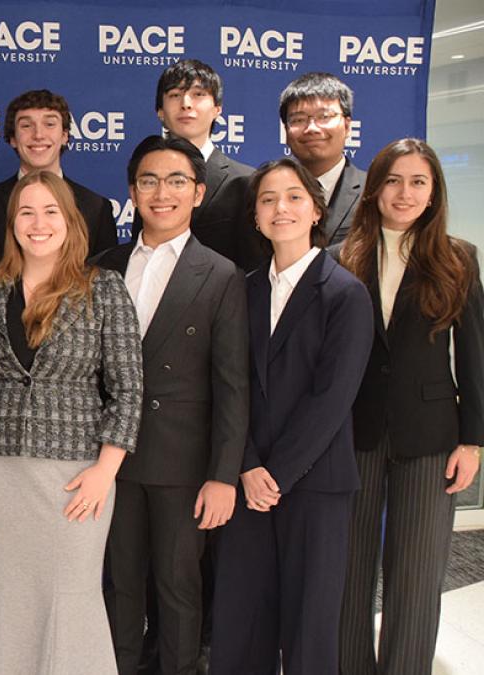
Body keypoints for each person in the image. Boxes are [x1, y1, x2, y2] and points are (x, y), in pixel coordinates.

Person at [0, 170, 142, 674]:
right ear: (12, 224)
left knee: (71, 594)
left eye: (51, 211)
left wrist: (105, 471)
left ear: (71, 221)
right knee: (3, 592)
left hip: (76, 477)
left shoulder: (105, 291)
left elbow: (128, 389)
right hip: (0, 472)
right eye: (26, 212)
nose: (38, 223)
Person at [209, 157, 373, 675]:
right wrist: (248, 465)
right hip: (246, 478)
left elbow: (332, 399)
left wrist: (275, 474)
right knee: (241, 620)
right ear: (254, 216)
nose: (281, 208)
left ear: (316, 209)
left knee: (310, 625)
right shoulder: (242, 287)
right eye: (268, 199)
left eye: (294, 197)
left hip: (315, 484)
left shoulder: (345, 292)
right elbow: (230, 386)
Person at [94, 135, 249, 675]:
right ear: (132, 191)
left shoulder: (222, 273)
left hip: (183, 465)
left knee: (179, 589)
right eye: (149, 181)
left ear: (199, 193)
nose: (163, 193)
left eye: (177, 180)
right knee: (117, 585)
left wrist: (224, 475)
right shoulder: (102, 266)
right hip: (107, 462)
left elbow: (233, 386)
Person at [337, 139, 483, 675]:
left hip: (431, 434)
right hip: (355, 432)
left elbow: (474, 358)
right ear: (374, 188)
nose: (405, 193)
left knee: (417, 572)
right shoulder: (340, 257)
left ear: (433, 192)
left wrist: (473, 441)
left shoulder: (458, 258)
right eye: (394, 180)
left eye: (418, 182)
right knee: (350, 568)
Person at [130, 60, 257, 271]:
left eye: (198, 94)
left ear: (217, 108)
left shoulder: (246, 181)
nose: (186, 103)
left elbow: (254, 269)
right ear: (160, 111)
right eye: (174, 95)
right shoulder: (146, 175)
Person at [0, 89, 117, 255]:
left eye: (50, 124)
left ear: (65, 135)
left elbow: (103, 274)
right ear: (13, 139)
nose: (38, 135)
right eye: (26, 125)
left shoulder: (96, 207)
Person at [280, 72, 364, 245]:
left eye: (324, 117)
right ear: (286, 131)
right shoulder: (266, 193)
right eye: (299, 119)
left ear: (347, 126)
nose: (312, 128)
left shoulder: (373, 191)